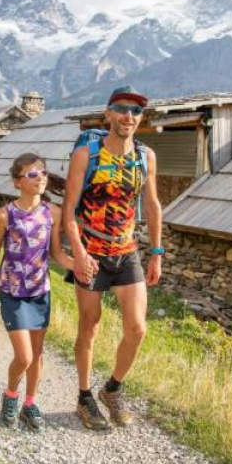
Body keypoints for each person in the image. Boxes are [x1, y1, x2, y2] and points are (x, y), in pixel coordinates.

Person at [62, 86, 163, 430]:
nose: (128, 116)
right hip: (91, 253)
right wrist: (78, 252)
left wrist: (157, 253)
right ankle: (84, 396)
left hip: (126, 252)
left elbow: (151, 205)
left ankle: (112, 390)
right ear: (107, 115)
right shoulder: (87, 155)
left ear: (141, 119)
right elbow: (69, 212)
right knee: (89, 324)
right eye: (121, 109)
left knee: (137, 328)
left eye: (135, 112)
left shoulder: (145, 156)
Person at [0, 153, 75, 431]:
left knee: (38, 352)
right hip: (12, 292)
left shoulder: (52, 213)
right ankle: (10, 396)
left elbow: (56, 253)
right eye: (33, 174)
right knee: (24, 356)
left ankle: (29, 404)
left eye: (43, 172)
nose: (41, 178)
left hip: (39, 292)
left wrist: (78, 265)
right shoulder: (3, 215)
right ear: (17, 182)